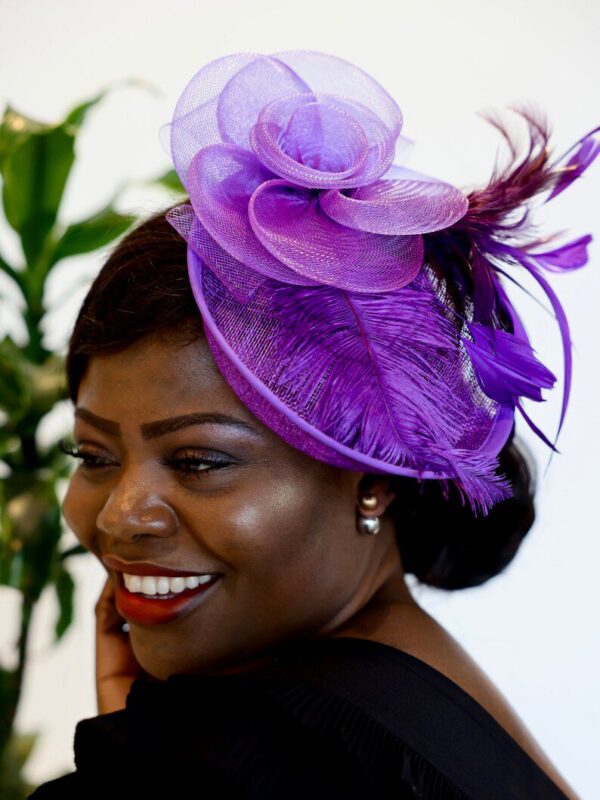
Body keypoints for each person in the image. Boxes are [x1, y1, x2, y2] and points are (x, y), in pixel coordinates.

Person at [28, 51, 597, 799]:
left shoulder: (256, 756)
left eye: (198, 460)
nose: (120, 512)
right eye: (93, 453)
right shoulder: (424, 691)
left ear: (371, 479)